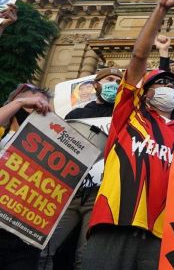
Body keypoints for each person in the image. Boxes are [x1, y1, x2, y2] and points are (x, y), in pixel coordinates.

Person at [82, 0, 174, 270]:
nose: (167, 88)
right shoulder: (129, 113)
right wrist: (160, 9)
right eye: (159, 83)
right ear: (144, 92)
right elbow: (138, 56)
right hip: (113, 222)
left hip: (160, 234)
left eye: (173, 86)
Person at [38, 68, 123, 270]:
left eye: (118, 81)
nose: (114, 83)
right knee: (44, 247)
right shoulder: (76, 114)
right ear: (96, 85)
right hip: (69, 192)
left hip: (100, 195)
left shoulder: (123, 115)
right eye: (109, 79)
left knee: (85, 257)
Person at [0, 83, 50, 269]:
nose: (38, 110)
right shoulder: (3, 132)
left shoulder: (50, 144)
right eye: (33, 105)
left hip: (25, 233)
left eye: (43, 107)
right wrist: (20, 102)